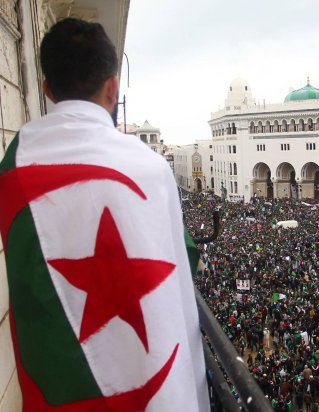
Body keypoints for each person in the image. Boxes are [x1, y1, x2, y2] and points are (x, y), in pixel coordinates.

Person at [0, 18, 208, 411]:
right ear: (114, 88)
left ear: (47, 90)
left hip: (59, 384)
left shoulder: (13, 170)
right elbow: (182, 260)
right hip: (145, 376)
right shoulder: (149, 167)